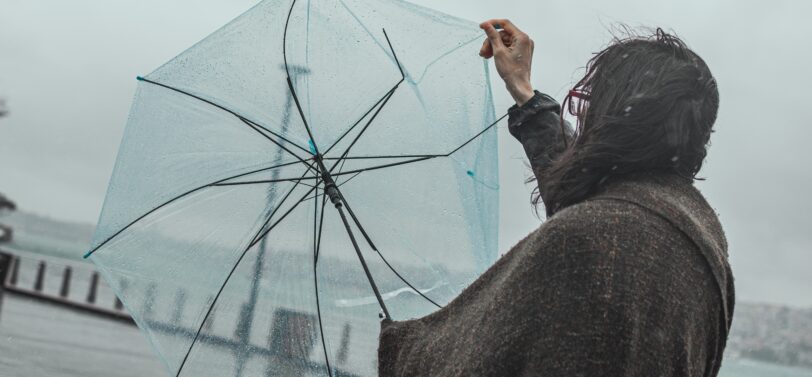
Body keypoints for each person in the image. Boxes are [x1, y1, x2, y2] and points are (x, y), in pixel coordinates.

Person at [378, 19, 734, 377]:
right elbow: (599, 197)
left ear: (615, 121)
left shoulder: (586, 239)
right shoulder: (699, 239)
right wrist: (524, 91)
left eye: (589, 105)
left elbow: (478, 359)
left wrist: (404, 347)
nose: (583, 119)